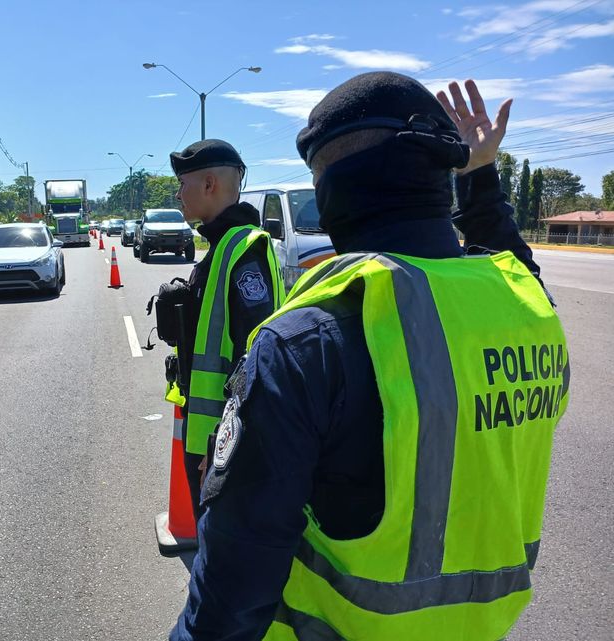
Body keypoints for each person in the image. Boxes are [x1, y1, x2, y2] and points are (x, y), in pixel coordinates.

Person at [170, 74, 569, 641]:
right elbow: (515, 262)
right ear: (437, 176)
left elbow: (229, 600)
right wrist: (481, 177)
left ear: (333, 190)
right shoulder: (526, 307)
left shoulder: (303, 344)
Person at [156, 139, 284, 521]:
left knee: (221, 554)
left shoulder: (243, 250)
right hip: (213, 438)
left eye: (183, 185)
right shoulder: (223, 246)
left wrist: (225, 443)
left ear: (209, 184)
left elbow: (257, 355)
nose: (179, 195)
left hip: (224, 444)